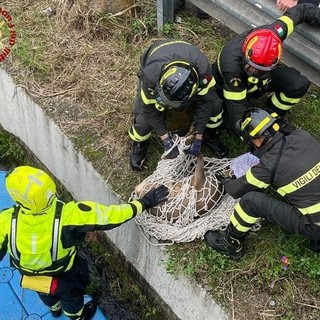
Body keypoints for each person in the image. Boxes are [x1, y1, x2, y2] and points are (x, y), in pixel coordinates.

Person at [0, 166, 168, 319]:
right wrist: (144, 203)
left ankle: (55, 310)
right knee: (72, 300)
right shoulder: (69, 215)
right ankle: (77, 317)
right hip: (65, 276)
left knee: (46, 294)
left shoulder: (5, 220)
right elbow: (111, 216)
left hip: (31, 278)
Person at [204, 108, 320, 260]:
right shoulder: (303, 136)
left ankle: (231, 243)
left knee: (250, 201)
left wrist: (225, 180)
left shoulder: (267, 166)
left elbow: (235, 190)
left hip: (315, 226)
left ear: (258, 140)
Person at [211, 3, 320, 131]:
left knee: (299, 84)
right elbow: (237, 110)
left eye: (260, 70)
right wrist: (259, 132)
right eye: (251, 68)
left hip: (261, 80)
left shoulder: (276, 33)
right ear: (246, 52)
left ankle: (272, 112)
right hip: (231, 88)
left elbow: (302, 11)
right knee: (232, 125)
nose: (254, 72)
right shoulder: (231, 65)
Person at [128, 39, 226, 171]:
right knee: (143, 122)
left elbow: (205, 103)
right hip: (158, 54)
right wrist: (165, 138)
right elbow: (149, 109)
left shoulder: (203, 72)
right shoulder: (150, 74)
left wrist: (199, 135)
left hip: (187, 54)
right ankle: (138, 144)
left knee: (215, 106)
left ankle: (210, 135)